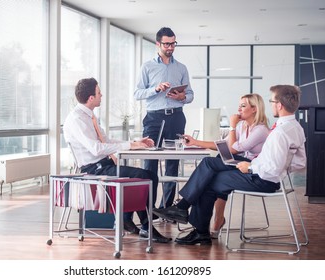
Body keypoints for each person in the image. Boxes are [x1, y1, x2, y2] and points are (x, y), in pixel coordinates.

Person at [152, 85, 306, 245]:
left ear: (279, 105)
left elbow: (261, 162)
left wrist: (252, 167)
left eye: (272, 101)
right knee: (209, 173)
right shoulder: (295, 128)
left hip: (262, 177)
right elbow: (300, 162)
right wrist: (282, 170)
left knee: (208, 178)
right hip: (265, 174)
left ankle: (193, 222)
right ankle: (190, 219)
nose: (271, 104)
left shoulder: (277, 132)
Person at [64, 77, 172, 243]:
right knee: (147, 177)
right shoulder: (77, 119)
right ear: (91, 98)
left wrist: (135, 143)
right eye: (99, 93)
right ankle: (145, 226)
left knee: (147, 175)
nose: (102, 95)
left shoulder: (90, 116)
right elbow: (96, 148)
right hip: (94, 170)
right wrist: (129, 145)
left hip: (105, 165)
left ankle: (129, 220)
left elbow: (105, 141)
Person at [182, 93, 270, 238]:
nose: (239, 109)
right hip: (239, 163)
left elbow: (234, 148)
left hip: (252, 168)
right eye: (239, 105)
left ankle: (187, 210)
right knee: (210, 175)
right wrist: (195, 142)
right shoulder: (242, 126)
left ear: (254, 109)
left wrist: (232, 126)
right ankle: (201, 228)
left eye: (243, 106)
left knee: (209, 164)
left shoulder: (260, 129)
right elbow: (221, 145)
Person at [134, 27, 194, 208]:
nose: (170, 47)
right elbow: (137, 93)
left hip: (176, 117)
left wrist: (181, 96)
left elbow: (190, 95)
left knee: (172, 163)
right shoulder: (147, 66)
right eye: (167, 44)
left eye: (173, 43)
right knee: (149, 164)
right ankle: (148, 207)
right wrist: (156, 89)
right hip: (154, 118)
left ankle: (166, 208)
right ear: (158, 44)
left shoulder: (181, 68)